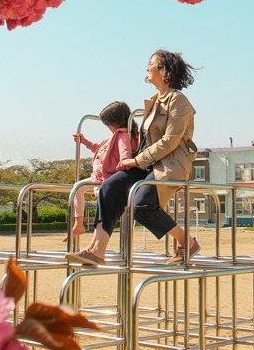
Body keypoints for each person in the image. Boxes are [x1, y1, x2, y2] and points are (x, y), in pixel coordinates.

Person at [65, 49, 199, 267]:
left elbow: (170, 141)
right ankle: (97, 250)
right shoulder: (155, 101)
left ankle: (186, 242)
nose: (147, 68)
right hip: (147, 163)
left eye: (151, 64)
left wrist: (135, 161)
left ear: (163, 70)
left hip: (169, 164)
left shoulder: (179, 102)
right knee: (110, 187)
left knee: (141, 205)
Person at [67, 101, 138, 241]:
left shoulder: (122, 135)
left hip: (108, 176)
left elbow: (125, 150)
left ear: (114, 121)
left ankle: (81, 226)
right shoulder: (113, 137)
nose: (107, 127)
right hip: (99, 176)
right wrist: (84, 141)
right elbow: (97, 148)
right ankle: (79, 224)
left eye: (108, 123)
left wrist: (125, 161)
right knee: (78, 188)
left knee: (80, 189)